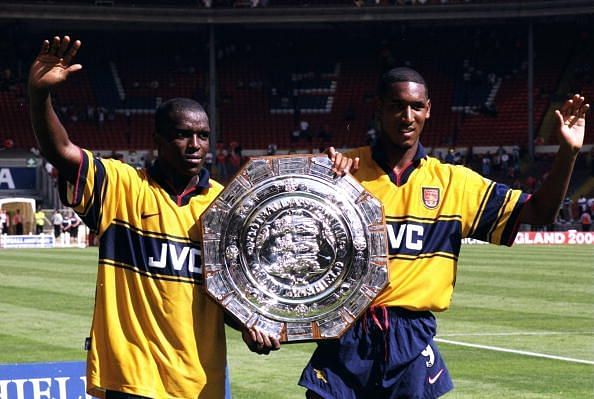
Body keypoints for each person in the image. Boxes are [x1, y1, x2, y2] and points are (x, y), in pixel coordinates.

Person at [299, 66, 589, 399]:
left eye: (416, 107)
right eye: (396, 105)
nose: (407, 116)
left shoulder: (454, 183)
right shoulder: (341, 173)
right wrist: (316, 181)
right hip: (345, 338)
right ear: (379, 109)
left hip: (411, 339)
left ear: (429, 110)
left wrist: (568, 153)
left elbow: (539, 212)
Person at [28, 35, 279, 399]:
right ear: (158, 140)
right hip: (130, 380)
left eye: (203, 136)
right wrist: (39, 96)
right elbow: (62, 151)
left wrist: (251, 324)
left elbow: (230, 295)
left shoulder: (226, 207)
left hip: (198, 383)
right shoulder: (122, 186)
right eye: (182, 135)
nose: (195, 145)